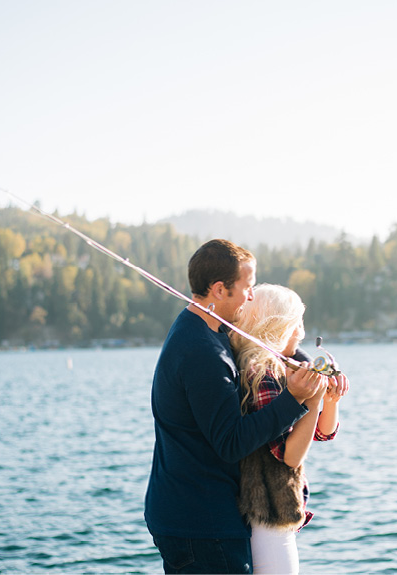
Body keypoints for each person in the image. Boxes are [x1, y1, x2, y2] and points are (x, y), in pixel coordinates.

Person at [145, 239, 327, 574]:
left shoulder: (202, 329)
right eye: (248, 287)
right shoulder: (203, 353)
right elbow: (232, 442)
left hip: (186, 512)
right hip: (201, 523)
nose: (252, 296)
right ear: (219, 289)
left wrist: (304, 363)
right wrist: (295, 399)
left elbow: (268, 344)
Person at [231, 284, 349, 574]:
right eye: (298, 322)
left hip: (273, 514)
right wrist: (313, 398)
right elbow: (290, 455)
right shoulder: (261, 374)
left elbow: (321, 433)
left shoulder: (285, 368)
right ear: (281, 326)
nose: (303, 332)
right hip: (269, 514)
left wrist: (330, 401)